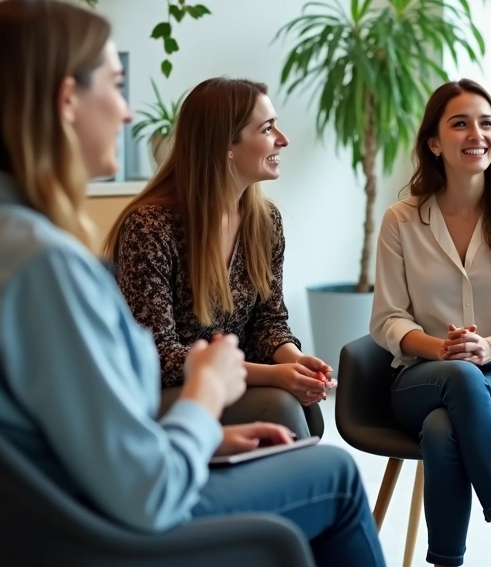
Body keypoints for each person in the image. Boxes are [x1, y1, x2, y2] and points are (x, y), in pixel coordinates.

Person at [0, 0, 389, 567]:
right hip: (89, 548)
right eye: (115, 86)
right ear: (67, 100)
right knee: (335, 476)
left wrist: (206, 438)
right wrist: (205, 392)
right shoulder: (46, 270)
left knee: (289, 447)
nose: (127, 112)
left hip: (14, 541)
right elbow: (147, 490)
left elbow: (47, 435)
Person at [370, 79, 491, 567]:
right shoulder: (401, 221)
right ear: (434, 143)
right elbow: (388, 319)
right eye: (460, 123)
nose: (477, 134)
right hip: (424, 376)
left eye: (487, 122)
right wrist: (444, 349)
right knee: (458, 379)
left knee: (442, 428)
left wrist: (488, 346)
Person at [104, 77, 333, 440]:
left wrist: (292, 359)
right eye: (268, 128)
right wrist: (272, 375)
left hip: (231, 380)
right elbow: (159, 357)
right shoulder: (150, 227)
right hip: (165, 397)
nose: (283, 140)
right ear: (226, 144)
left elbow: (268, 322)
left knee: (308, 410)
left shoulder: (265, 221)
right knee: (282, 406)